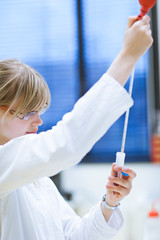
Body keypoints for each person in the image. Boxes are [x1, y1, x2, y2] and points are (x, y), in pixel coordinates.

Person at [0, 15, 152, 240]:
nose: (39, 122)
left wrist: (109, 202)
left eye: (40, 112)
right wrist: (127, 57)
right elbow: (66, 143)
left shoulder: (40, 183)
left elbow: (74, 234)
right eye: (28, 113)